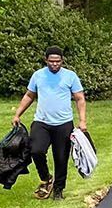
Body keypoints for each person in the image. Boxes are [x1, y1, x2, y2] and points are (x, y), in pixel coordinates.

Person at [11, 46, 88, 200]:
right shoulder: (38, 76)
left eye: (57, 61)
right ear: (46, 60)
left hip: (64, 123)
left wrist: (82, 121)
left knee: (61, 158)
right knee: (36, 151)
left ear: (62, 61)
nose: (54, 64)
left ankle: (58, 190)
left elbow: (79, 98)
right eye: (51, 61)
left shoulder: (70, 76)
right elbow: (29, 95)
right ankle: (46, 178)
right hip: (42, 122)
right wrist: (17, 114)